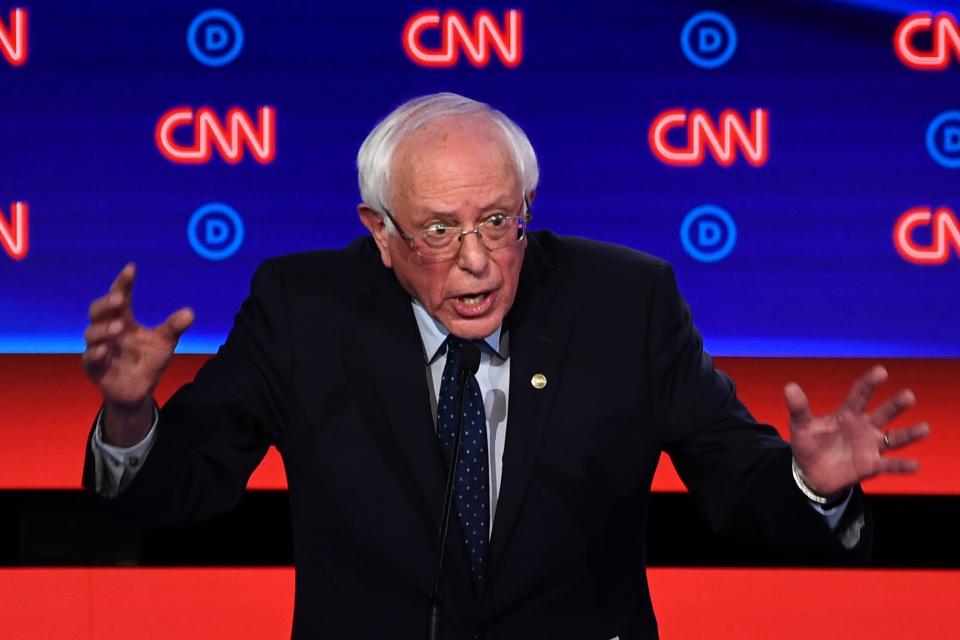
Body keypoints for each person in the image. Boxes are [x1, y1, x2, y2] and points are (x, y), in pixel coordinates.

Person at [82, 93, 929, 639]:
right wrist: (128, 418)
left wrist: (811, 484)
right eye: (440, 230)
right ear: (379, 233)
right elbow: (187, 484)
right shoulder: (304, 309)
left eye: (499, 222)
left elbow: (733, 477)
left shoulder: (623, 302)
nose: (478, 261)